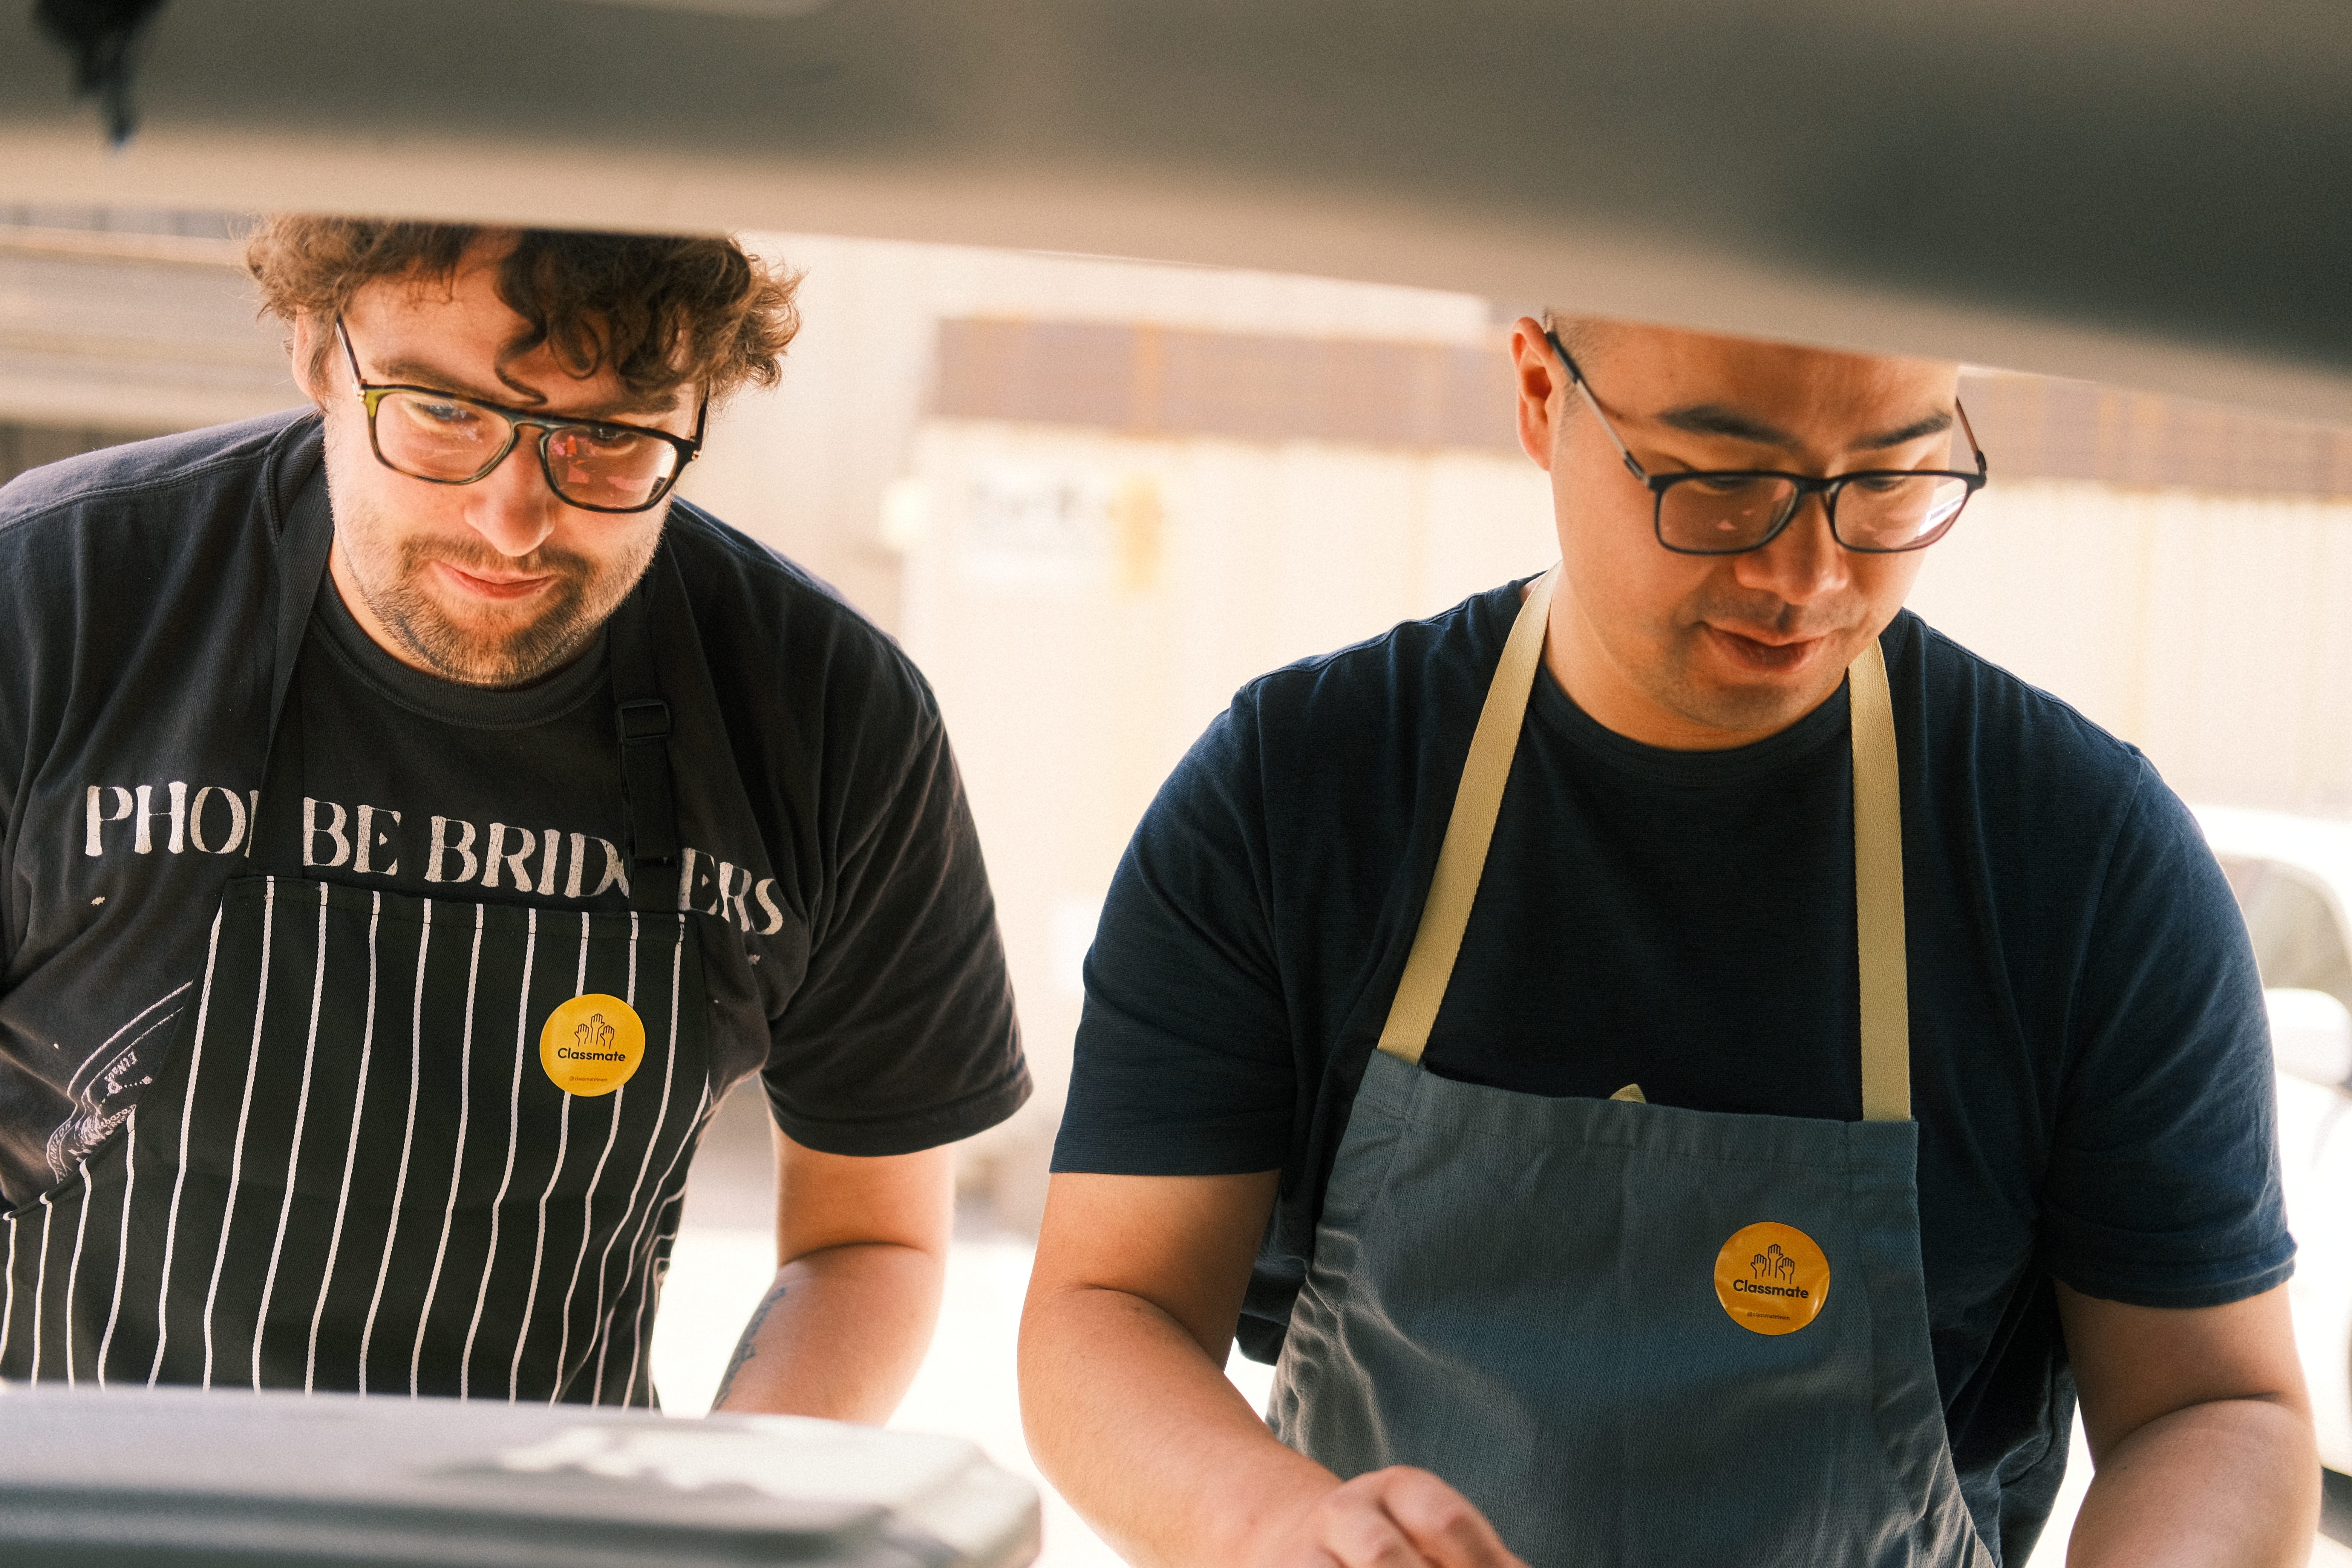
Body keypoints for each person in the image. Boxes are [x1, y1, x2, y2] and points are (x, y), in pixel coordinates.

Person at [1020, 316, 2317, 1566]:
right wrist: (1275, 1533)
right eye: (1720, 480)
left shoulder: (2084, 858)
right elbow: (1107, 1311)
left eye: (1889, 480)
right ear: (1542, 395)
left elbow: (2214, 1412)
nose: (1806, 572)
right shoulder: (1295, 795)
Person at [0, 217, 1029, 1414]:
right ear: (314, 352)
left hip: (546, 1530)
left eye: (604, 437)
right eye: (442, 413)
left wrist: (716, 1533)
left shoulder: (829, 714)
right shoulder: (48, 601)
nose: (513, 519)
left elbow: (870, 1244)